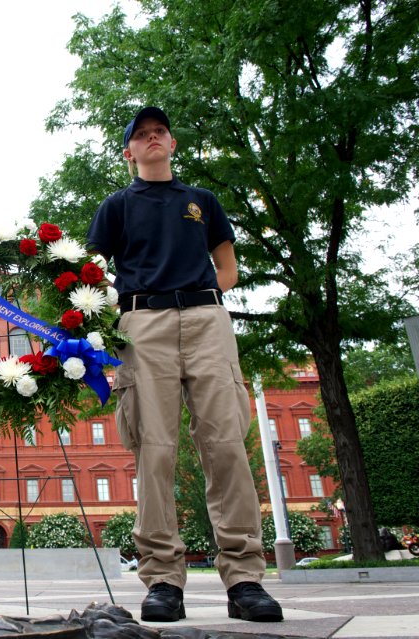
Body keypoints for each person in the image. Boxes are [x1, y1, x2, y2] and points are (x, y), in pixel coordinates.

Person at [87, 107, 283, 623]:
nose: (153, 139)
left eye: (160, 133)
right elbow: (90, 274)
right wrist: (122, 309)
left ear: (172, 144)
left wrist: (199, 297)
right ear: (128, 152)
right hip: (143, 323)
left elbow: (229, 266)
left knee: (225, 446)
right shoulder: (115, 206)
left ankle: (244, 579)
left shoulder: (202, 202)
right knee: (155, 448)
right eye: (141, 136)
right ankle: (163, 580)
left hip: (205, 320)